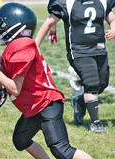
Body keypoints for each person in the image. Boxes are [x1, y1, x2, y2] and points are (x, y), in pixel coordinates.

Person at [0, 2, 115, 159]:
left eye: (3, 24)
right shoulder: (16, 46)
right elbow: (6, 85)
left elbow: (14, 88)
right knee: (21, 140)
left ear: (16, 27)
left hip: (47, 104)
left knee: (62, 149)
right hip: (34, 107)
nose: (0, 28)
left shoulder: (23, 45)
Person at [35, 0, 115, 133]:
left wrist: (113, 29)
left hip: (99, 49)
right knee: (92, 84)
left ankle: (79, 102)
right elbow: (49, 21)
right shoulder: (67, 3)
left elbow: (111, 19)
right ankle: (95, 123)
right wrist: (34, 47)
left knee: (102, 83)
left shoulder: (102, 1)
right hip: (79, 51)